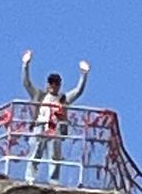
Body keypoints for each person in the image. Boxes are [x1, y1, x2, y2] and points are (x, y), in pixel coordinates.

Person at [21, 50, 90, 183]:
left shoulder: (63, 98)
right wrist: (25, 65)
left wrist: (84, 74)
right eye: (51, 82)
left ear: (59, 84)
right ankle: (30, 179)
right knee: (36, 153)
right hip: (40, 126)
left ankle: (54, 182)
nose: (53, 85)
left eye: (56, 83)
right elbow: (27, 83)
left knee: (55, 157)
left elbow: (78, 91)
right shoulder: (40, 95)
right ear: (48, 84)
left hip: (55, 129)